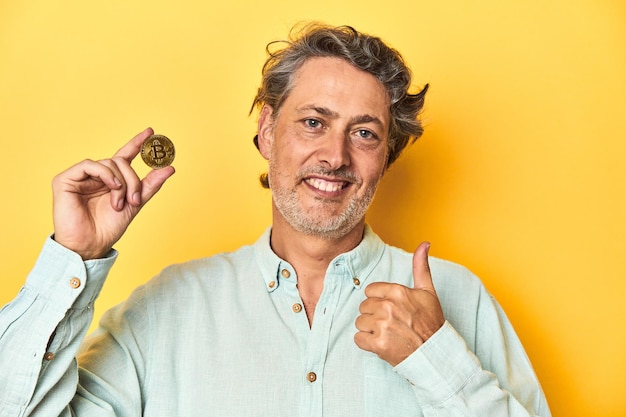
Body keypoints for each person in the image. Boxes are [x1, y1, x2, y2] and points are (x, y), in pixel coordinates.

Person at [0, 23, 551, 416]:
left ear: (387, 155)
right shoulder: (165, 310)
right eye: (313, 122)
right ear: (267, 132)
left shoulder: (461, 300)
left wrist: (436, 360)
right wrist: (74, 259)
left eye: (364, 133)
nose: (335, 156)